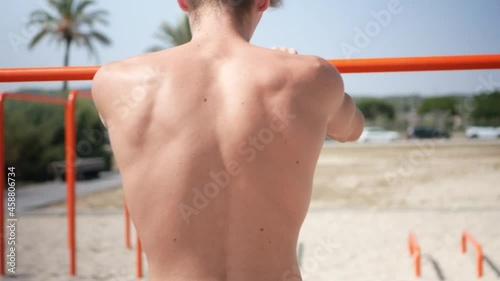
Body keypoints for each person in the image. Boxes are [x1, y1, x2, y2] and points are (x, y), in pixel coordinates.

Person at [92, 0, 364, 280]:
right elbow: (352, 129)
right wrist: (293, 70)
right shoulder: (313, 75)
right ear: (262, 3)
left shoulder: (115, 82)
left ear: (183, 2)